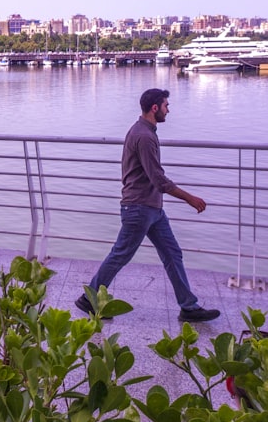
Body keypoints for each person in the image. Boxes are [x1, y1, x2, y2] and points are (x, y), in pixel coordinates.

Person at [76, 88, 220, 323]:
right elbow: (158, 179)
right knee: (121, 254)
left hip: (152, 209)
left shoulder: (145, 131)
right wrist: (190, 198)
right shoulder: (143, 136)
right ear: (155, 108)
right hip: (139, 208)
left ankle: (189, 307)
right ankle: (88, 298)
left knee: (172, 254)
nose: (168, 110)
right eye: (166, 105)